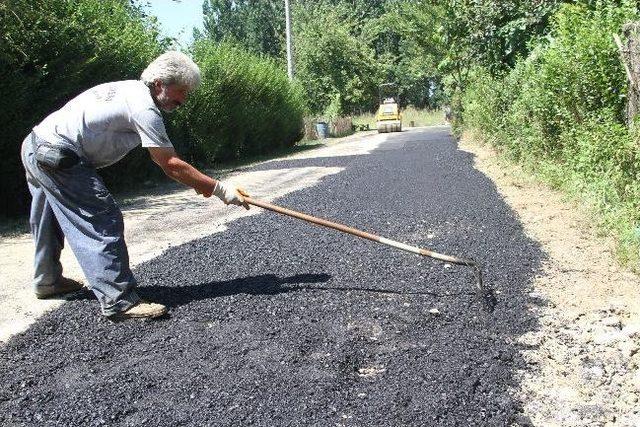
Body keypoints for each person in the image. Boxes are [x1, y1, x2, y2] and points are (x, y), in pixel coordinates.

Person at [20, 51, 248, 320]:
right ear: (160, 83)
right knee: (101, 217)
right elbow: (170, 163)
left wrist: (204, 185)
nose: (183, 100)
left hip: (35, 145)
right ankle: (119, 301)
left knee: (48, 218)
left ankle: (48, 281)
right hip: (57, 155)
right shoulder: (144, 108)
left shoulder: (128, 89)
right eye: (181, 91)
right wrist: (220, 190)